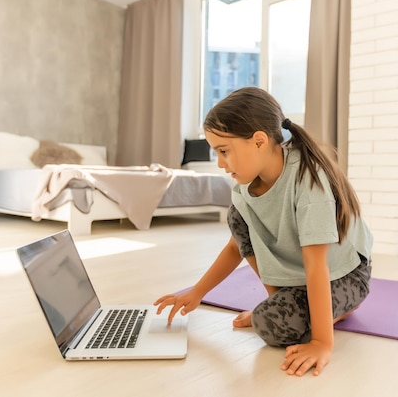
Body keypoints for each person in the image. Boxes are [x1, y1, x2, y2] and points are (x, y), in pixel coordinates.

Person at [154, 87, 373, 377]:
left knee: (270, 326)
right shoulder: (245, 190)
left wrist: (321, 342)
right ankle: (284, 304)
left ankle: (337, 311)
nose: (220, 163)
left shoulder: (309, 182)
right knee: (237, 216)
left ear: (259, 141)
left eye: (223, 151)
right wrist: (196, 293)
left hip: (345, 274)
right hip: (300, 277)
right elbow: (236, 247)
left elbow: (317, 264)